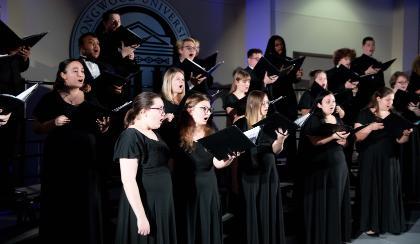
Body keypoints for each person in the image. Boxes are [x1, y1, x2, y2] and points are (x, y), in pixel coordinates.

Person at [33, 59, 109, 243]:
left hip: (87, 161)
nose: (81, 74)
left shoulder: (91, 98)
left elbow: (101, 126)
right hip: (59, 161)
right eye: (75, 71)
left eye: (82, 71)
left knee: (86, 203)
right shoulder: (50, 98)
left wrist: (104, 127)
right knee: (60, 203)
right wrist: (53, 123)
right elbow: (36, 127)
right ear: (63, 75)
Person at [113, 92, 177, 244]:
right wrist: (141, 216)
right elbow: (128, 180)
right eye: (159, 109)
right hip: (146, 204)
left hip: (161, 202)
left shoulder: (153, 132)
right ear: (143, 112)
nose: (164, 113)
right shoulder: (130, 136)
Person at [178, 92, 238, 244]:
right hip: (187, 188)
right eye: (203, 108)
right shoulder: (178, 133)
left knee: (207, 228)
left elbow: (218, 163)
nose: (208, 113)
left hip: (208, 187)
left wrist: (229, 159)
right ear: (189, 109)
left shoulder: (211, 132)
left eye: (209, 109)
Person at [355, 87, 412, 236]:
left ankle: (388, 223)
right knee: (370, 190)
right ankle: (370, 224)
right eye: (387, 99)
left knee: (388, 189)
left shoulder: (394, 116)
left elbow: (400, 140)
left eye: (392, 100)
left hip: (389, 158)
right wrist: (371, 127)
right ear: (378, 98)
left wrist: (406, 134)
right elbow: (358, 137)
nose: (390, 103)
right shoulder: (364, 113)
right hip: (370, 158)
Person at [234, 90, 288, 244]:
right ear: (253, 104)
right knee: (250, 212)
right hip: (248, 173)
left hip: (268, 172)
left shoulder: (271, 122)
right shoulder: (240, 123)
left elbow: (276, 150)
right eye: (263, 103)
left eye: (267, 103)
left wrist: (281, 140)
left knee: (268, 211)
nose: (266, 106)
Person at [297, 90, 351, 244]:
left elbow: (345, 142)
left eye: (333, 101)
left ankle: (334, 236)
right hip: (320, 167)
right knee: (323, 201)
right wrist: (333, 137)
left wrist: (343, 141)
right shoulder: (313, 119)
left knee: (336, 200)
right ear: (319, 104)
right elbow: (314, 142)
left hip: (338, 164)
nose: (332, 104)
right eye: (328, 101)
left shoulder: (338, 119)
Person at [389, 72, 420, 202]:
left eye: (405, 82)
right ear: (394, 83)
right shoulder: (388, 95)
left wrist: (415, 110)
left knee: (411, 161)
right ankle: (397, 191)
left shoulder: (411, 96)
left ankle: (411, 191)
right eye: (400, 82)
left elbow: (418, 115)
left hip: (412, 133)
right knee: (399, 161)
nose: (403, 85)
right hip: (396, 132)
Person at [351, 36, 385, 109]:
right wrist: (366, 72)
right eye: (368, 45)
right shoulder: (356, 62)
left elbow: (382, 84)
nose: (371, 47)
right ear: (363, 47)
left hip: (375, 99)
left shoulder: (377, 63)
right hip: (360, 98)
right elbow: (353, 79)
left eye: (373, 45)